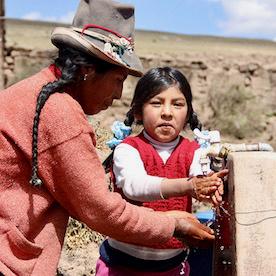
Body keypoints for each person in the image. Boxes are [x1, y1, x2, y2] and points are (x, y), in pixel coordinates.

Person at [0, 1, 216, 275]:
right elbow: (101, 210)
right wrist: (172, 225)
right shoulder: (60, 114)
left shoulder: (34, 91)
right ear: (88, 71)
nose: (118, 94)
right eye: (118, 80)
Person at [96, 67, 228, 276]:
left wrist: (211, 187)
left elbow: (200, 177)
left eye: (177, 104)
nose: (167, 112)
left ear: (188, 114)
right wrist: (188, 186)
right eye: (156, 103)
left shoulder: (193, 152)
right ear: (138, 111)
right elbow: (134, 186)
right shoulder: (128, 149)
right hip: (121, 265)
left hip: (172, 267)